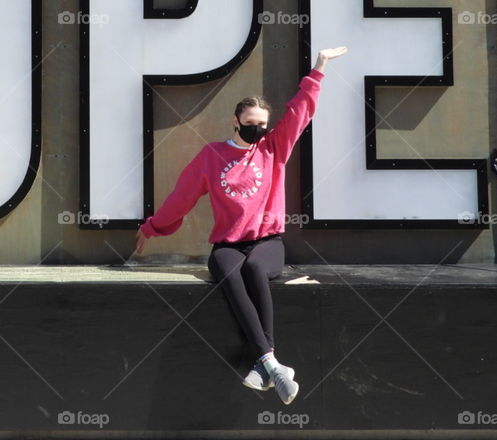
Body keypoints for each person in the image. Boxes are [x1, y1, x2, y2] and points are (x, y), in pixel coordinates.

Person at [134, 46, 347, 405]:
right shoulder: (211, 156)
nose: (258, 129)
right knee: (228, 271)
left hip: (268, 243)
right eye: (250, 124)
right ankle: (272, 365)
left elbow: (300, 112)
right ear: (235, 121)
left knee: (253, 269)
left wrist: (319, 68)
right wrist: (153, 227)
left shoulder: (273, 149)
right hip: (227, 244)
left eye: (262, 124)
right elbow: (181, 198)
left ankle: (264, 362)